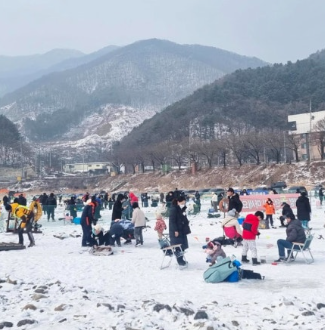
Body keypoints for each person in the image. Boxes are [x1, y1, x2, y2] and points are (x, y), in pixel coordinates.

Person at [169, 196, 191, 266]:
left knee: (182, 245)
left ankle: (181, 259)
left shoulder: (178, 208)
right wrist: (175, 230)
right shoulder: (173, 209)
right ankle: (180, 261)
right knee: (178, 246)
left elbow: (180, 217)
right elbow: (172, 221)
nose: (183, 204)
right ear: (178, 202)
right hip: (176, 231)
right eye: (182, 202)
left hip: (181, 230)